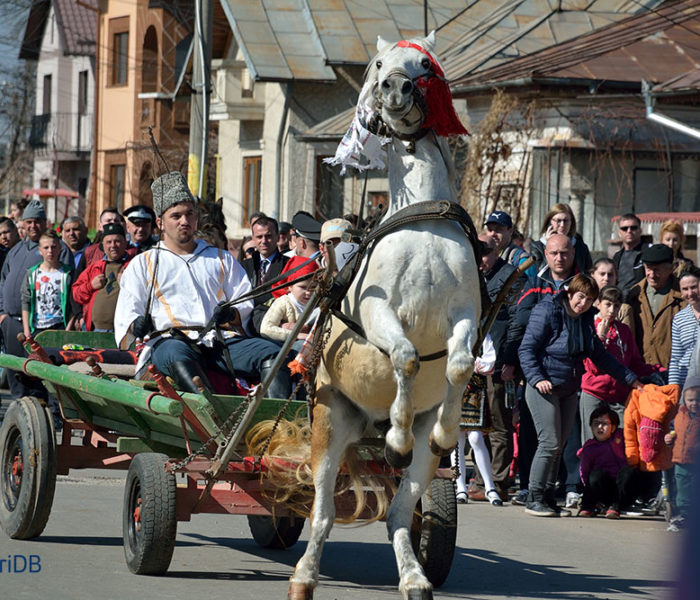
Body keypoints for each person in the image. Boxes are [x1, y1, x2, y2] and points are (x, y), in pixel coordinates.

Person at [114, 172, 293, 398]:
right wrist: (136, 325)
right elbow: (126, 316)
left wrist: (230, 314)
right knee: (178, 355)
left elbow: (244, 301)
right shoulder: (143, 264)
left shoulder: (221, 258)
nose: (184, 221)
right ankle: (215, 421)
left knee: (274, 355)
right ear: (160, 223)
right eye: (176, 216)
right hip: (170, 343)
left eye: (190, 214)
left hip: (220, 341)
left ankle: (274, 426)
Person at [518, 274, 643, 517]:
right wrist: (537, 378)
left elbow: (602, 357)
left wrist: (632, 379)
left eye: (589, 299)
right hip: (543, 386)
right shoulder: (547, 311)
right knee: (549, 442)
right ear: (569, 293)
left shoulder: (585, 320)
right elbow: (527, 348)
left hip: (568, 387)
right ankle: (533, 496)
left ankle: (547, 496)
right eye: (580, 296)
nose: (583, 303)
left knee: (559, 445)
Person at [0, 199, 73, 398]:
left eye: (37, 221)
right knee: (16, 371)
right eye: (29, 222)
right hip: (12, 323)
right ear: (22, 223)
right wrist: (2, 314)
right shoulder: (15, 250)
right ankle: (19, 411)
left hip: (43, 324)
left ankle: (45, 416)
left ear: (45, 222)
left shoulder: (57, 249)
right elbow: (3, 280)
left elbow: (67, 285)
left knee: (42, 371)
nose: (33, 226)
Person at [468, 236, 521, 502]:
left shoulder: (510, 276)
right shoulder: (475, 275)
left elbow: (516, 321)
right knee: (477, 425)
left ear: (496, 252)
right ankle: (480, 479)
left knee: (499, 424)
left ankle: (498, 481)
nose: (481, 261)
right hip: (475, 363)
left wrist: (509, 360)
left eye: (485, 255)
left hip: (499, 364)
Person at [581, 285, 658, 443]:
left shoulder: (623, 331)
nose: (612, 310)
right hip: (594, 392)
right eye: (608, 304)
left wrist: (658, 370)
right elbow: (592, 368)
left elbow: (634, 363)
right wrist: (600, 338)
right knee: (592, 442)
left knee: (623, 441)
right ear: (598, 303)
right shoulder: (589, 327)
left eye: (616, 306)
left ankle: (622, 468)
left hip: (619, 394)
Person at [452, 335, 503, 507]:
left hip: (474, 388)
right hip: (453, 385)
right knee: (456, 438)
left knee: (475, 437)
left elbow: (489, 362)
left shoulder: (482, 333)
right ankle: (460, 486)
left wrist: (467, 364)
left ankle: (490, 487)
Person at [619, 244, 685, 368]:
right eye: (648, 269)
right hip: (639, 372)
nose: (652, 275)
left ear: (670, 269)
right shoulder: (634, 295)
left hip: (672, 372)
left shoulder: (683, 297)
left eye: (657, 270)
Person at [624, 382, 679, 510]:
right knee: (665, 479)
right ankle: (662, 499)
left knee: (644, 480)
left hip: (642, 454)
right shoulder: (668, 398)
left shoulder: (635, 398)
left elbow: (629, 431)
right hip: (666, 451)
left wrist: (631, 459)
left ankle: (644, 498)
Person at [577, 406, 636, 519]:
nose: (600, 427)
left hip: (622, 488)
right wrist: (588, 490)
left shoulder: (620, 437)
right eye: (596, 424)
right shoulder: (589, 448)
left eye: (604, 424)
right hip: (602, 486)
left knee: (628, 471)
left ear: (613, 427)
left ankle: (615, 507)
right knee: (595, 475)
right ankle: (588, 506)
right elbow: (584, 472)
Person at [72, 223, 132, 332]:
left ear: (125, 243)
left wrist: (128, 284)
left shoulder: (133, 265)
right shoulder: (95, 267)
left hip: (124, 331)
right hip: (95, 329)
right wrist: (90, 286)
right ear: (103, 246)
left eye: (117, 241)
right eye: (109, 242)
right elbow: (76, 294)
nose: (113, 245)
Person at [21, 230, 78, 338]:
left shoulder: (67, 273)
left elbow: (73, 303)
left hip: (59, 327)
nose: (50, 251)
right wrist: (27, 330)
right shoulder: (32, 274)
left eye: (54, 247)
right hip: (37, 329)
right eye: (46, 248)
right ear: (40, 250)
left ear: (60, 248)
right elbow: (25, 302)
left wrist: (68, 329)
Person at [242, 216, 289, 335]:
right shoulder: (243, 267)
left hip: (277, 328)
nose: (264, 241)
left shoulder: (288, 264)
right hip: (246, 328)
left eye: (268, 236)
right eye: (259, 237)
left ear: (277, 237)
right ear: (253, 238)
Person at [260, 261, 319, 352]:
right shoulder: (284, 302)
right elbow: (266, 329)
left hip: (315, 342)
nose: (308, 292)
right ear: (290, 287)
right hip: (286, 346)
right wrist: (296, 335)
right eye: (303, 287)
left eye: (313, 287)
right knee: (301, 345)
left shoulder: (318, 303)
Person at [665, 377, 700, 528]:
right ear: (684, 400)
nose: (694, 404)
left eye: (698, 400)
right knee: (682, 487)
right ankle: (684, 514)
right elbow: (674, 431)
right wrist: (669, 437)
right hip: (680, 459)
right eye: (690, 400)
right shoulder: (680, 416)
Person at [527, 203, 592, 277]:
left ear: (571, 222)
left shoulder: (580, 247)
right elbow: (539, 275)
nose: (562, 225)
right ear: (550, 222)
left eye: (566, 221)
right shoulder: (537, 247)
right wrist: (548, 245)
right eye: (558, 221)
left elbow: (588, 273)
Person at [669, 268, 700, 387]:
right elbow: (676, 358)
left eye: (694, 287)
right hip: (686, 385)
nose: (690, 293)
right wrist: (673, 387)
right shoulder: (679, 319)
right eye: (685, 289)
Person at [612, 213, 646, 302]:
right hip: (619, 303)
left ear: (640, 230)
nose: (629, 231)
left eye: (633, 227)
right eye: (624, 228)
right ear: (619, 233)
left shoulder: (648, 253)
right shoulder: (617, 256)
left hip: (641, 302)